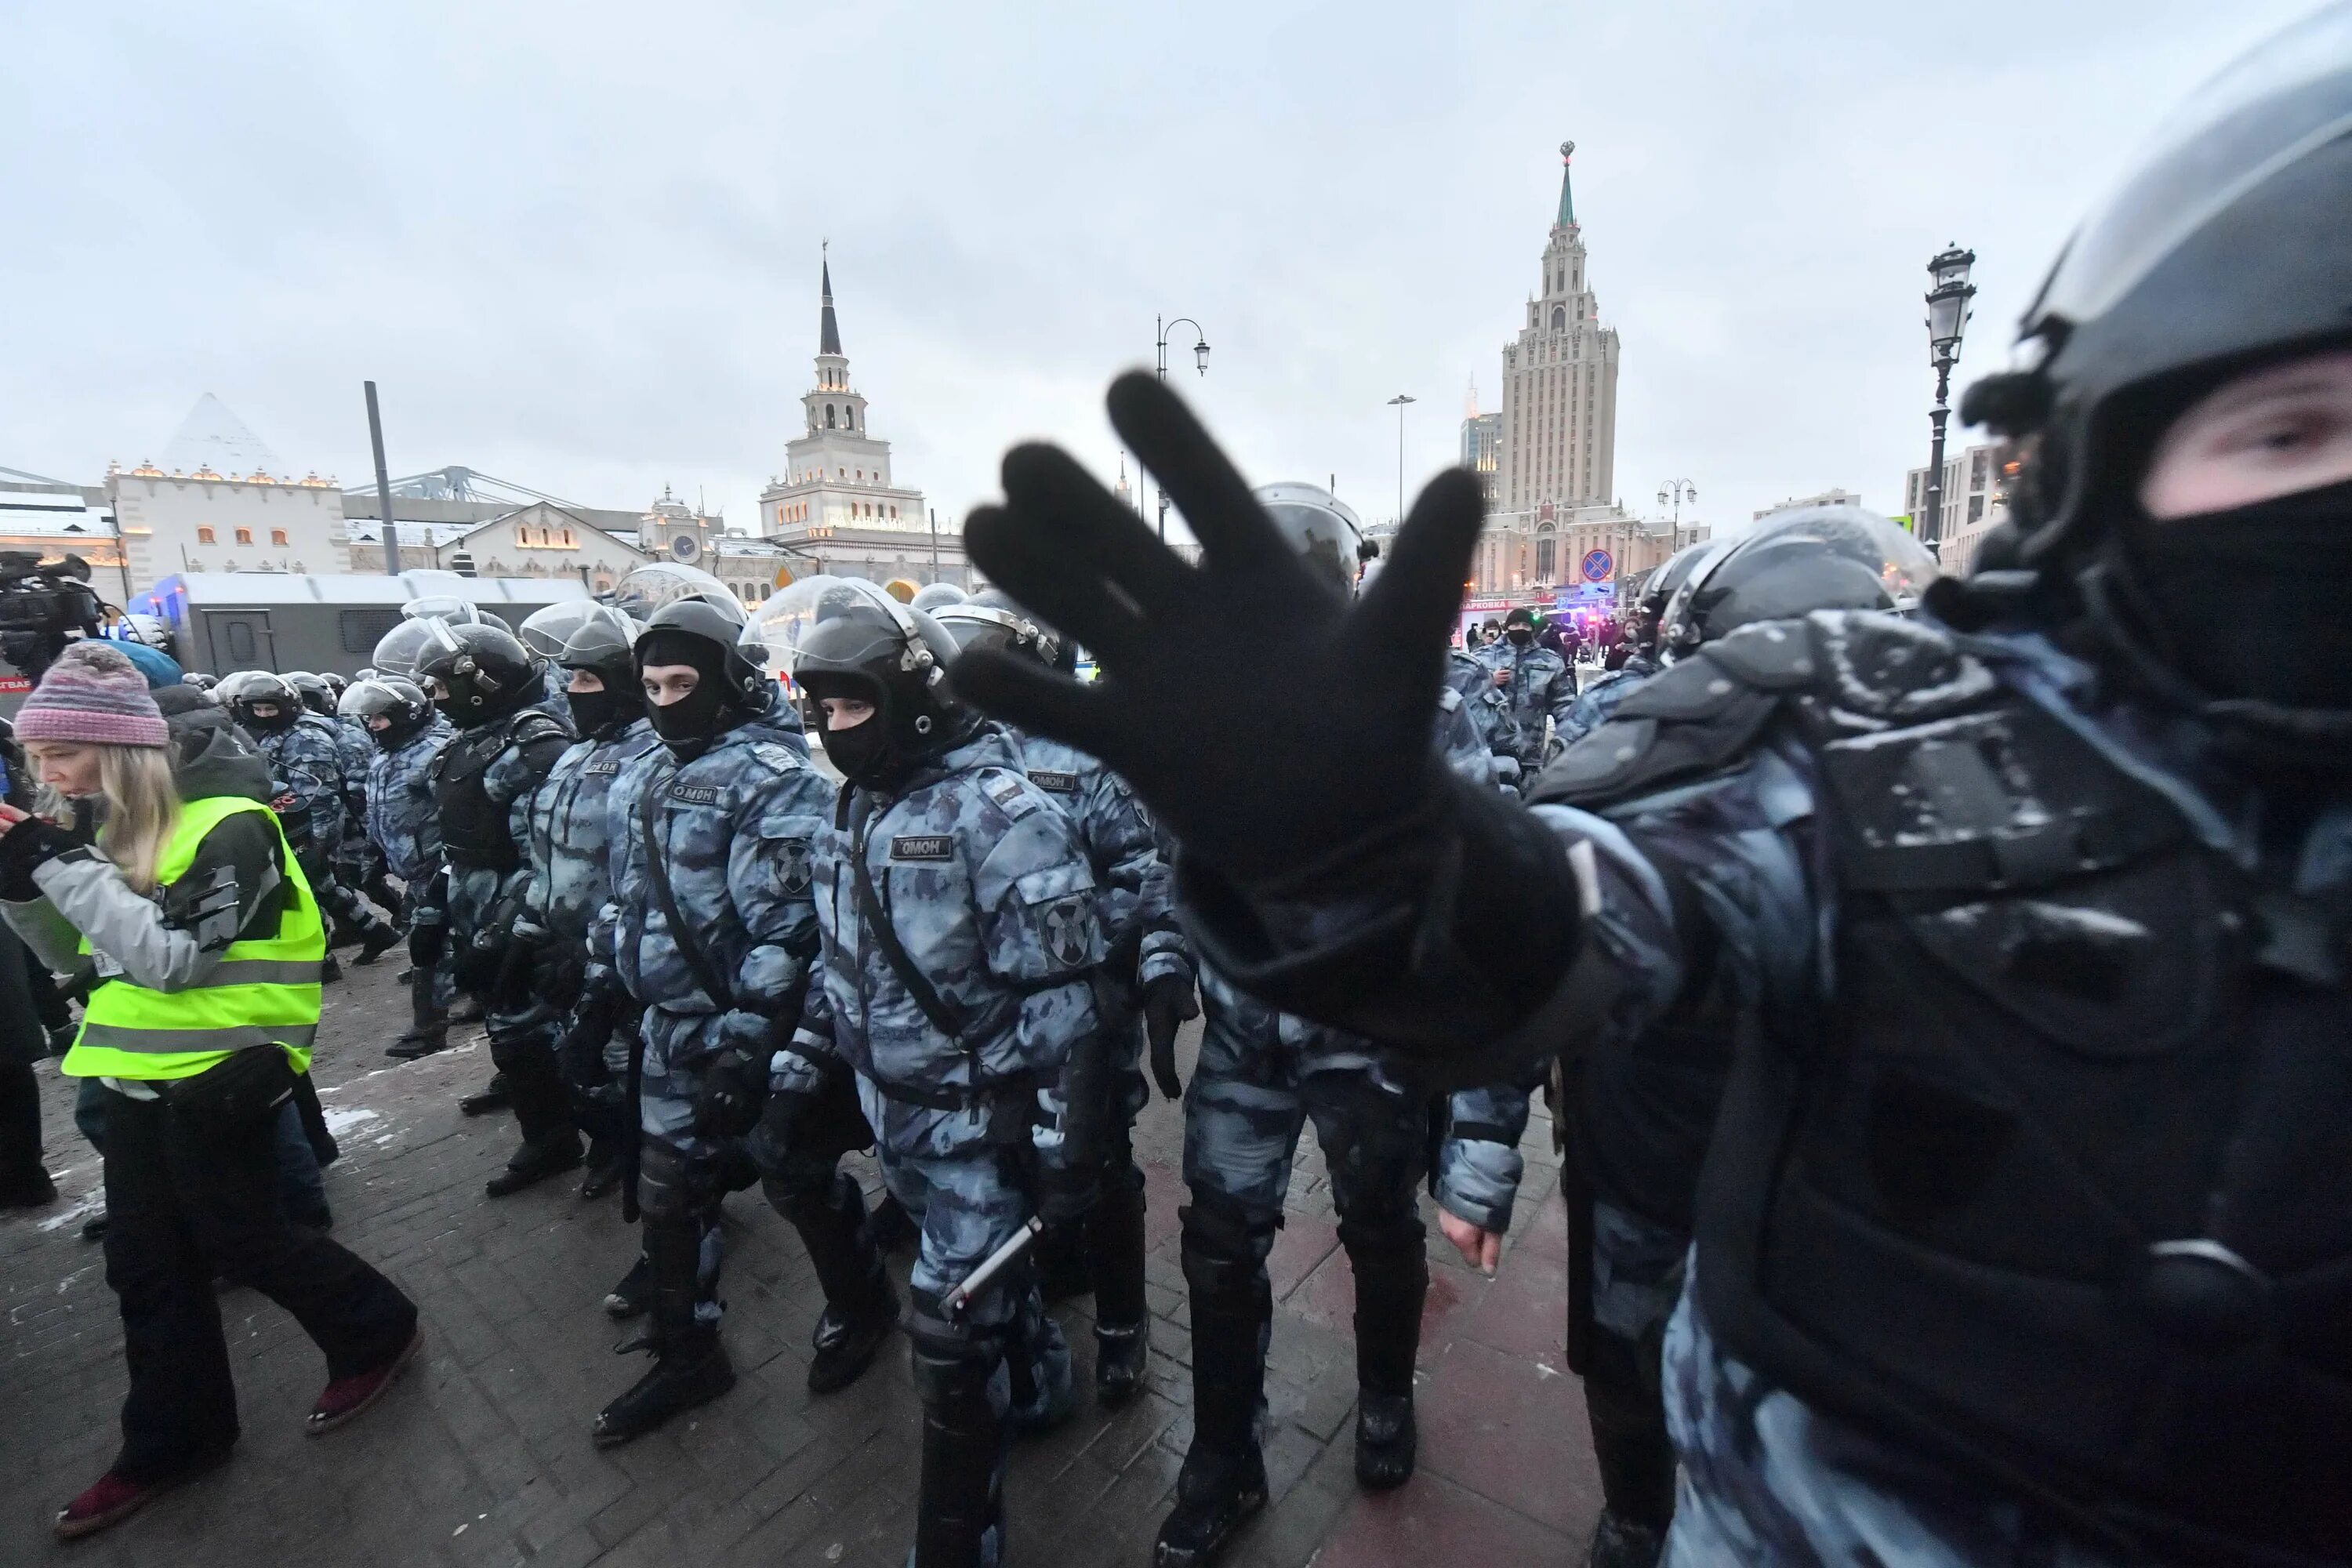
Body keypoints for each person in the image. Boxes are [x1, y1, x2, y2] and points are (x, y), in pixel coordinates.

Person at [950, 18, 2352, 1559]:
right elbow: (1579, 918)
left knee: (1366, 1224)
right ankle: (1237, 1453)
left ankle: (1392, 1398)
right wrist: (1368, 860)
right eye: (2289, 428)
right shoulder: (1877, 737)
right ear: (2109, 451)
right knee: (1229, 1240)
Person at [1438, 510, 1934, 1568]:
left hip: (1832, 1180)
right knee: (1623, 1348)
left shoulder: (1943, 787)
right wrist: (1482, 1154)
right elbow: (1551, 939)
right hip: (1645, 1139)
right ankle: (1635, 1516)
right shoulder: (1642, 747)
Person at [0, 643, 419, 1541]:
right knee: (148, 1267)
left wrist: (52, 867)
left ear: (115, 748)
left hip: (226, 1075)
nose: (47, 773)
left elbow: (175, 959)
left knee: (245, 1235)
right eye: (37, 759)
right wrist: (25, 886)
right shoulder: (113, 831)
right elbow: (77, 956)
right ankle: (176, 1437)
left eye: (60, 753)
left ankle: (374, 1327)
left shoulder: (231, 822)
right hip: (140, 1081)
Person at [780, 579, 1098, 1564]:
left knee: (950, 1345)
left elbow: (1064, 1008)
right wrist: (805, 1063)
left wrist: (1060, 1147)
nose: (836, 729)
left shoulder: (1003, 814)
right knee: (986, 1294)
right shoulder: (854, 809)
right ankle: (1045, 1377)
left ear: (912, 696)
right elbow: (838, 958)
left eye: (854, 705)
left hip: (979, 1126)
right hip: (896, 1118)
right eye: (823, 709)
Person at [934, 588, 1198, 1406]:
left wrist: (1109, 952)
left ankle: (1122, 1326)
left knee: (1103, 1161)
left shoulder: (1087, 759)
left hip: (1080, 1010)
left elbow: (1143, 874)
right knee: (1013, 1160)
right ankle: (1051, 1273)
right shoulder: (945, 765)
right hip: (986, 1024)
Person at [587, 593, 833, 1443]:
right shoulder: (639, 774)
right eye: (650, 683)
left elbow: (789, 930)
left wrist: (744, 1045)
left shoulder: (776, 781)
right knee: (669, 1195)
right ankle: (691, 1351)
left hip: (745, 1035)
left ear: (729, 682)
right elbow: (625, 897)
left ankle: (862, 1302)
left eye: (683, 681)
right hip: (668, 1029)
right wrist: (607, 976)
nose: (664, 699)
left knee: (799, 1178)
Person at [416, 622, 581, 1196]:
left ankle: (557, 1136)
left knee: (533, 1019)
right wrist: (435, 909)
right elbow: (458, 838)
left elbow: (547, 854)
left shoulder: (532, 745)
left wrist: (506, 934)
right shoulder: (470, 739)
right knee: (505, 1015)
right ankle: (533, 1098)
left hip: (522, 912)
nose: (434, 701)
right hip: (476, 902)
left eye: (441, 688)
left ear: (482, 685)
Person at [521, 605, 660, 1200]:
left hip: (619, 958)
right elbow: (548, 850)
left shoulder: (654, 755)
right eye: (569, 678)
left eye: (587, 679)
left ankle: (653, 1179)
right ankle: (610, 1146)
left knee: (628, 1075)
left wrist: (601, 963)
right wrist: (532, 929)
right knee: (581, 1068)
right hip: (567, 946)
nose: (571, 691)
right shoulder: (579, 752)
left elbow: (645, 874)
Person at [223, 673, 399, 975]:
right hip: (295, 823)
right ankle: (374, 931)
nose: (264, 715)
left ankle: (324, 961)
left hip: (306, 826)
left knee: (304, 892)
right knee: (324, 886)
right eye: (258, 710)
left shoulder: (305, 737)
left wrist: (317, 842)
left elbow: (320, 796)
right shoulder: (283, 733)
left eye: (270, 709)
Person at [342, 677, 456, 1061]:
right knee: (430, 943)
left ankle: (429, 1028)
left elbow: (456, 817)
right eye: (370, 719)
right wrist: (373, 859)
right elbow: (379, 813)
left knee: (432, 947)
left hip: (438, 872)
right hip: (413, 872)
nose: (373, 726)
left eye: (380, 718)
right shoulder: (386, 756)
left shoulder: (433, 754)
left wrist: (446, 871)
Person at [1474, 604, 1575, 779]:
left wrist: (1571, 738)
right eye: (1515, 625)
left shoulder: (1550, 661)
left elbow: (1564, 703)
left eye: (1526, 625)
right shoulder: (1483, 657)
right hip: (1490, 751)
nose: (1520, 629)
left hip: (1530, 751)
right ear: (1507, 628)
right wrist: (1489, 681)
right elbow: (1467, 697)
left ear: (1533, 629)